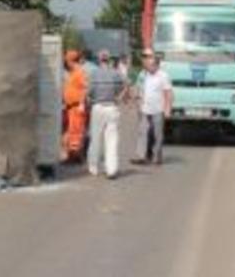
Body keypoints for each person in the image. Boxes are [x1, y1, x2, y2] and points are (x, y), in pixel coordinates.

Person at [87, 50, 126, 179]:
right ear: (109, 59)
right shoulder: (116, 73)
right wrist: (119, 97)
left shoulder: (94, 73)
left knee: (96, 139)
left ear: (99, 59)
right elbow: (125, 86)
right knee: (112, 140)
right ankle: (111, 169)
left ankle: (93, 167)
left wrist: (89, 98)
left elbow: (89, 91)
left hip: (97, 107)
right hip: (112, 107)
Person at [131, 49, 173, 166]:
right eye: (147, 64)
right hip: (145, 108)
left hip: (158, 109)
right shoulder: (144, 74)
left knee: (157, 134)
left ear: (156, 65)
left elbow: (168, 93)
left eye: (150, 65)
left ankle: (156, 156)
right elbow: (139, 88)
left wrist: (168, 108)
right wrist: (136, 100)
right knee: (142, 132)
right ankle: (141, 156)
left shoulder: (163, 76)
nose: (148, 67)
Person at [62, 50, 88, 163]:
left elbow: (85, 88)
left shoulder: (79, 72)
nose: (66, 63)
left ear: (70, 61)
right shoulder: (74, 72)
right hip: (71, 107)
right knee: (72, 132)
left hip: (77, 107)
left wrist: (82, 103)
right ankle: (72, 155)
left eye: (67, 61)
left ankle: (75, 156)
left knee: (76, 132)